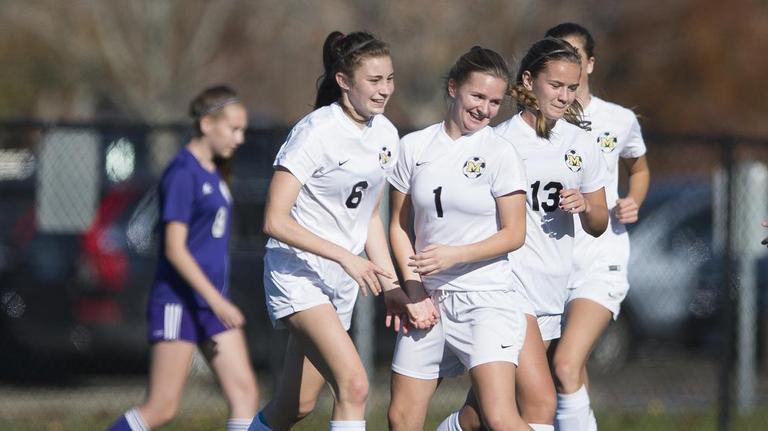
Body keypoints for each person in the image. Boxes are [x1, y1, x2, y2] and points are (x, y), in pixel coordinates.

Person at [248, 31, 437, 431]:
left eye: (389, 78)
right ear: (343, 80)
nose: (385, 89)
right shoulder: (315, 132)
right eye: (374, 80)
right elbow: (274, 221)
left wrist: (390, 287)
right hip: (298, 275)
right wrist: (346, 257)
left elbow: (368, 219)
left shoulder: (386, 133)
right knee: (353, 386)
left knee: (295, 405)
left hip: (339, 282)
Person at [439, 37, 609, 431]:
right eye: (556, 85)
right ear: (529, 81)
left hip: (551, 290)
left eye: (572, 87)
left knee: (483, 413)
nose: (565, 95)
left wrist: (585, 205)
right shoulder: (499, 141)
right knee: (541, 403)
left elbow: (599, 223)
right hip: (507, 287)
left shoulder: (582, 144)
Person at [387, 46, 532, 431]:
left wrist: (456, 255)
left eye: (495, 101)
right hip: (429, 302)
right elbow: (399, 227)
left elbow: (515, 233)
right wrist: (414, 291)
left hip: (485, 300)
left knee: (499, 418)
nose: (485, 109)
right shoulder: (413, 147)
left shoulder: (501, 153)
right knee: (400, 418)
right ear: (453, 88)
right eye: (478, 96)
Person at [106, 85, 259, 431]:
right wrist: (215, 300)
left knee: (245, 394)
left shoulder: (215, 172)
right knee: (162, 408)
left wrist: (215, 301)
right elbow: (175, 248)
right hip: (180, 301)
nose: (240, 139)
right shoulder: (182, 173)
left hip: (209, 303)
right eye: (233, 129)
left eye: (243, 130)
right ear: (207, 124)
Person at [543, 23, 650, 431]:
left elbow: (638, 168)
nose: (568, 64)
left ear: (590, 63)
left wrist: (632, 200)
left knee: (566, 363)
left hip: (600, 257)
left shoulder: (618, 120)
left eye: (574, 55)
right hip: (549, 259)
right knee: (562, 374)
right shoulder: (537, 124)